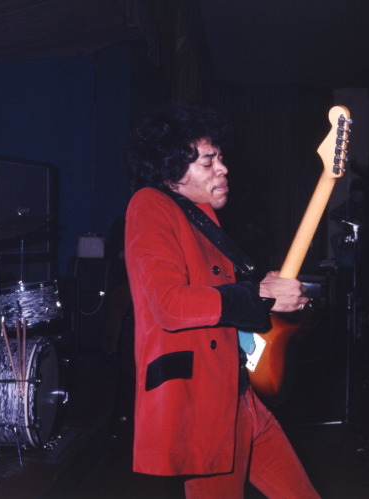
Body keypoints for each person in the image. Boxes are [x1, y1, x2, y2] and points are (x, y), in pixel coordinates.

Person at [124, 104, 320, 498]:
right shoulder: (150, 205)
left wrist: (261, 289)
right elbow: (169, 304)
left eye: (221, 158)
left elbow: (221, 296)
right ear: (172, 172)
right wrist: (259, 295)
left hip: (243, 397)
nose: (223, 169)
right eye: (208, 161)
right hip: (204, 408)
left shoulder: (200, 216)